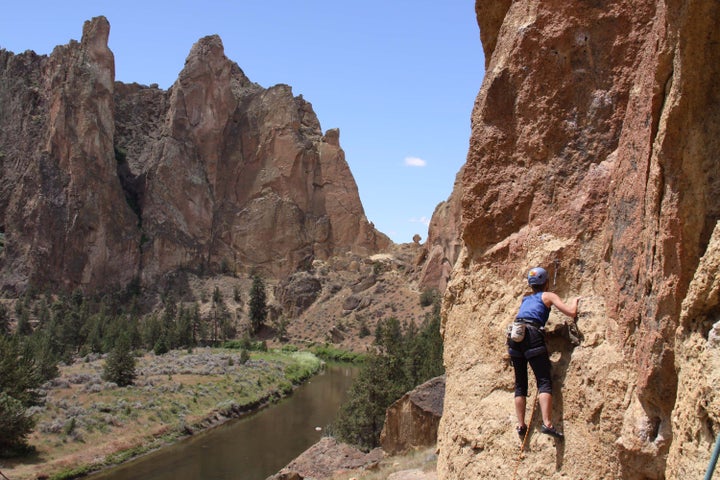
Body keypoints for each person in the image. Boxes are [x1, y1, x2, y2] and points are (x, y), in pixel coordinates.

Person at [507, 266, 580, 441]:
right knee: (544, 380)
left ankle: (521, 425)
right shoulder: (548, 296)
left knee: (520, 383)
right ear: (546, 282)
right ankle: (547, 424)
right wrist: (576, 301)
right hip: (532, 334)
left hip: (515, 334)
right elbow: (571, 312)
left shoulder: (526, 299)